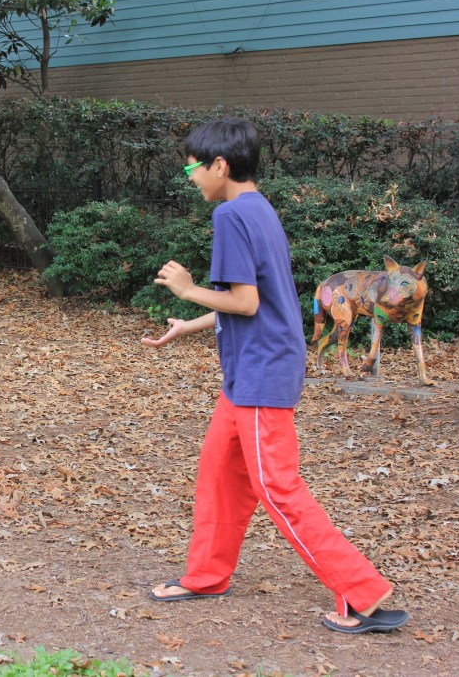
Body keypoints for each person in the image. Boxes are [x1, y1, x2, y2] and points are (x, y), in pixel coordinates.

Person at [141, 117, 408, 635]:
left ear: (219, 166)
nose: (191, 177)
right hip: (251, 370)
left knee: (276, 487)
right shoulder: (258, 209)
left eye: (194, 168)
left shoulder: (230, 216)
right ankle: (207, 576)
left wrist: (188, 290)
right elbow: (262, 303)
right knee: (220, 473)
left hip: (262, 374)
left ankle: (363, 594)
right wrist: (190, 324)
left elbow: (244, 300)